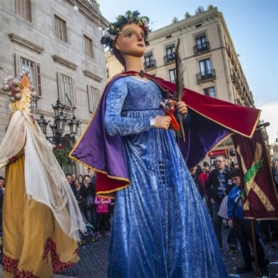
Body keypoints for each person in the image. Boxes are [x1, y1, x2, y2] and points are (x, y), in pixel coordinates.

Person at [70, 10, 260, 278]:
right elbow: (110, 123)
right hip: (141, 171)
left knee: (181, 218)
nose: (138, 37)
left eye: (141, 34)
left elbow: (171, 123)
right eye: (129, 34)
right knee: (146, 224)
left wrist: (181, 112)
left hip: (170, 166)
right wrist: (151, 122)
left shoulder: (156, 85)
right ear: (116, 45)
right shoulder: (120, 84)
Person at [0, 71, 85, 276]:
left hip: (23, 179)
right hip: (29, 178)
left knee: (21, 223)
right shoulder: (29, 119)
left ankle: (28, 267)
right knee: (30, 223)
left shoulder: (19, 117)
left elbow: (15, 147)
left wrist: (4, 158)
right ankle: (37, 267)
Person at [227, 168, 269, 275]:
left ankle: (262, 265)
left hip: (248, 220)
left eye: (236, 179)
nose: (234, 182)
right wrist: (230, 218)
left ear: (241, 177)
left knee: (255, 242)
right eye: (232, 180)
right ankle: (247, 265)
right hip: (237, 220)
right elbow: (230, 204)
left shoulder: (250, 187)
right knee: (243, 243)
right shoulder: (233, 190)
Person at [205, 155, 238, 252]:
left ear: (225, 161)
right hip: (217, 202)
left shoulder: (231, 171)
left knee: (233, 223)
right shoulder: (214, 173)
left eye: (219, 161)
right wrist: (210, 197)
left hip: (229, 202)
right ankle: (218, 246)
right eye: (216, 162)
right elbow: (207, 185)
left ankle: (232, 244)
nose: (218, 163)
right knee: (216, 223)